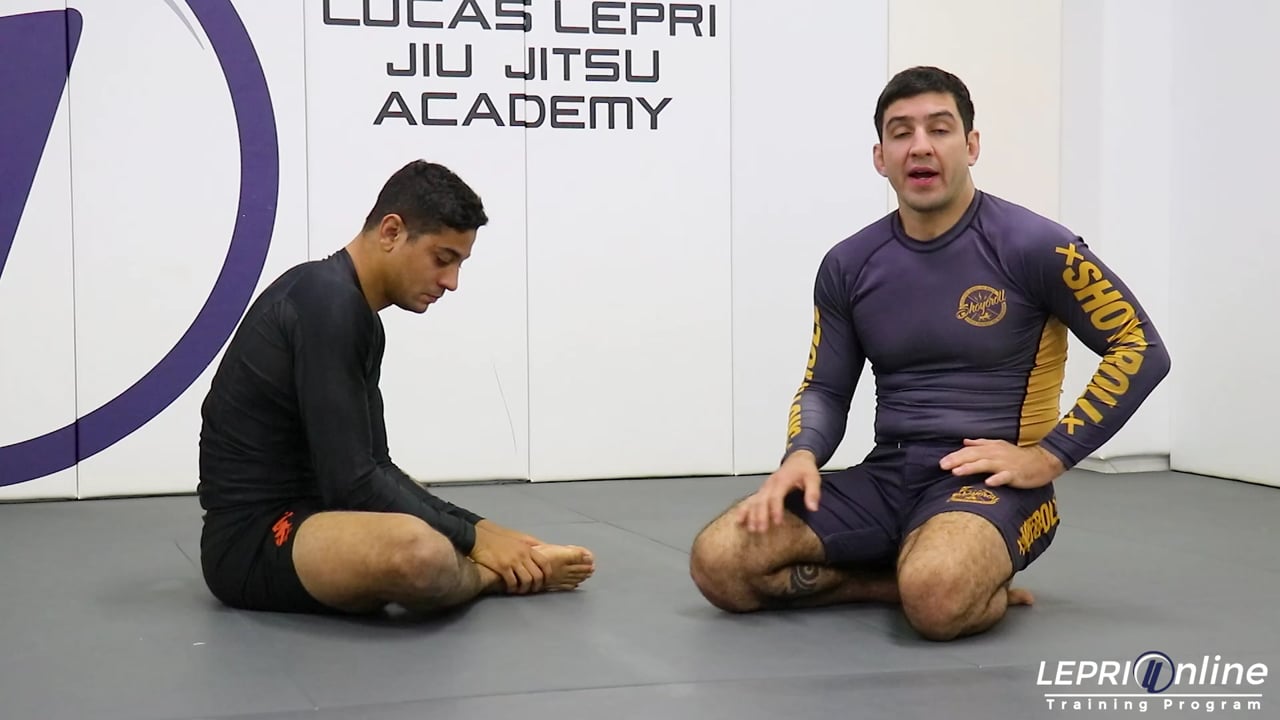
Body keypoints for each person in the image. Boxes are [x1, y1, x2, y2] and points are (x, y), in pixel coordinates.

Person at [688, 66, 1170, 641]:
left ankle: (936, 580)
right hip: (886, 476)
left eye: (939, 129)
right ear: (880, 157)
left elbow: (1140, 346)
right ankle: (905, 582)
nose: (920, 146)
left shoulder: (1037, 246)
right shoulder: (849, 264)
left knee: (938, 596)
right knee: (719, 561)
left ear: (971, 146)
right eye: (901, 133)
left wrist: (1050, 457)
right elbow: (825, 387)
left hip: (991, 485)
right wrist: (801, 455)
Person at [197, 160, 595, 615]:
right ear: (391, 232)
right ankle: (495, 577)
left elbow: (376, 466)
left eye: (459, 264)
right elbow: (352, 484)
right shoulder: (327, 304)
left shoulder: (359, 316)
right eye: (442, 259)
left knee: (426, 525)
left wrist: (484, 528)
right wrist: (479, 544)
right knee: (417, 552)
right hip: (256, 541)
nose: (451, 282)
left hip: (318, 515)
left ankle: (488, 561)